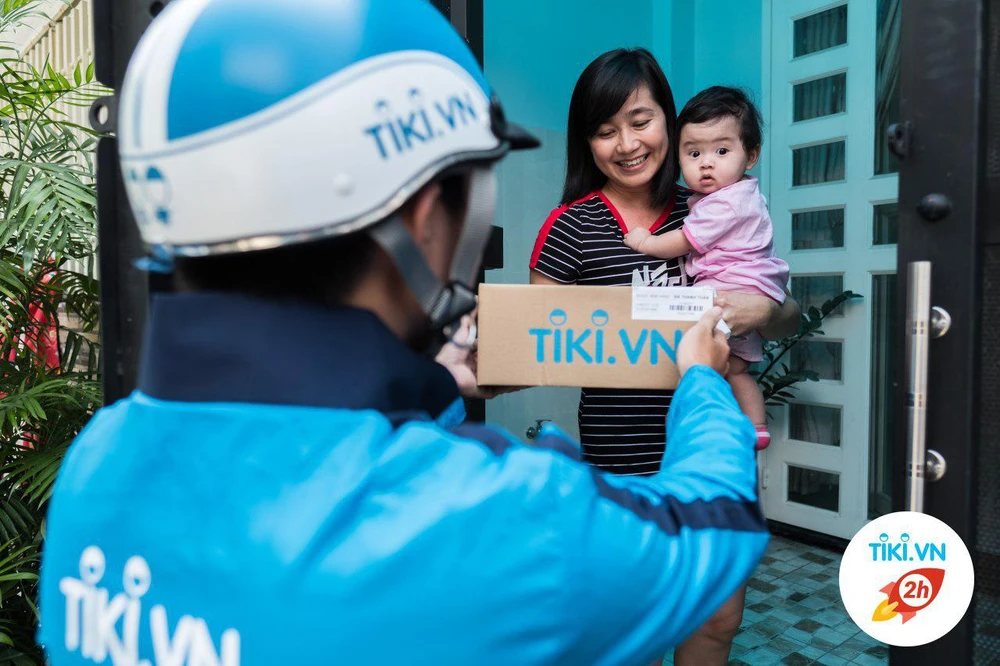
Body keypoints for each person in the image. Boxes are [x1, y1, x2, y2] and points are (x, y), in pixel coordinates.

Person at [39, 4, 767, 665]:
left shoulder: (95, 466)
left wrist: (431, 380)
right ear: (425, 218)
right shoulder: (500, 516)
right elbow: (713, 528)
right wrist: (704, 383)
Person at [529, 50, 800, 665]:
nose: (627, 144)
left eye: (641, 121)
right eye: (605, 130)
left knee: (718, 619)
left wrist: (764, 311)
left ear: (669, 122)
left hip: (709, 448)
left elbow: (787, 311)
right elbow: (532, 342)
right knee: (638, 625)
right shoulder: (570, 228)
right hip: (620, 460)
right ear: (586, 142)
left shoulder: (714, 199)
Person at [624, 86, 789, 452]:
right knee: (736, 369)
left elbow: (684, 240)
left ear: (751, 155)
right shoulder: (739, 195)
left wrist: (645, 242)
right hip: (746, 287)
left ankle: (747, 425)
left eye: (721, 151)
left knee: (718, 365)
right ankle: (756, 426)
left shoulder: (725, 204)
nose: (706, 163)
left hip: (731, 293)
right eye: (694, 153)